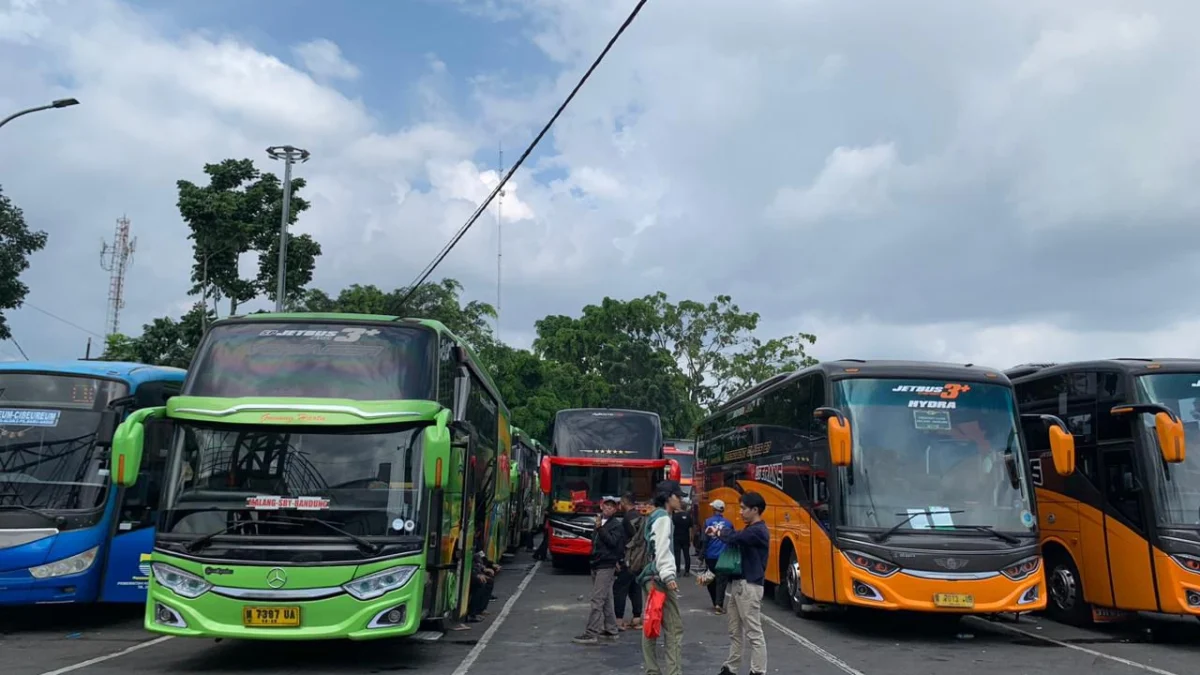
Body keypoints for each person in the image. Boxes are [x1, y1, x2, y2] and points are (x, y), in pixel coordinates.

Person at [711, 492, 770, 675]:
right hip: (739, 584)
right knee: (735, 630)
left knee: (754, 632)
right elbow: (736, 537)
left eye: (744, 508)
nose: (741, 512)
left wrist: (718, 531)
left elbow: (735, 538)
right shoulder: (749, 528)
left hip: (750, 585)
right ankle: (731, 667)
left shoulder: (758, 530)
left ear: (755, 510)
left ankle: (758, 671)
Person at [639, 480, 685, 675]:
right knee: (674, 628)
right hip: (659, 578)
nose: (681, 499)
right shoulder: (664, 518)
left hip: (649, 576)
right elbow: (662, 548)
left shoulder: (653, 516)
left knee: (651, 623)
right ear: (668, 497)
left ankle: (652, 670)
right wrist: (668, 576)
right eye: (678, 495)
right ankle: (673, 672)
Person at [573, 495, 626, 645]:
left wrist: (600, 529)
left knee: (597, 599)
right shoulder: (599, 522)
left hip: (606, 564)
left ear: (615, 509)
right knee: (605, 598)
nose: (608, 508)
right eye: (606, 506)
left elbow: (612, 542)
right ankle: (611, 629)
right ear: (602, 506)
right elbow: (595, 542)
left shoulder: (615, 525)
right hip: (597, 563)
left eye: (612, 507)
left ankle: (591, 632)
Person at [614, 492, 644, 630]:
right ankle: (637, 618)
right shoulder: (639, 516)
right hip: (639, 558)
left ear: (624, 502)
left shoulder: (628, 518)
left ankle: (619, 620)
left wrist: (620, 559)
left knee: (619, 588)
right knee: (635, 587)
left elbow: (624, 541)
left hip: (629, 558)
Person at [701, 498, 733, 614]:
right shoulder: (729, 523)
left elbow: (704, 540)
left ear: (713, 509)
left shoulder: (707, 522)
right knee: (722, 581)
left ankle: (715, 602)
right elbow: (731, 539)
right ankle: (719, 604)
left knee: (710, 579)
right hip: (724, 556)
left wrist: (701, 556)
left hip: (710, 556)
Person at [672, 501, 693, 577]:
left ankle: (677, 571)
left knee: (677, 554)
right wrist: (691, 538)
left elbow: (673, 524)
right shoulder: (688, 516)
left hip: (677, 536)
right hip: (685, 537)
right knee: (686, 554)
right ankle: (687, 571)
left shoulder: (675, 516)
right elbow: (690, 528)